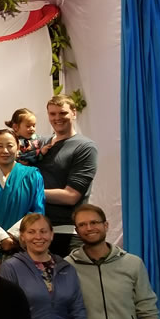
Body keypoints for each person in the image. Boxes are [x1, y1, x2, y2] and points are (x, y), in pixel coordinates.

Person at [37, 95, 98, 256]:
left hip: (66, 232)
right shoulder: (41, 143)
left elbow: (71, 196)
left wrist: (30, 193)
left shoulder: (85, 147)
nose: (57, 118)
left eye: (63, 113)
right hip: (36, 233)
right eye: (53, 114)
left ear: (74, 113)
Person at [0, 128, 45, 259]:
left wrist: (14, 237)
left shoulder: (32, 175)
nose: (5, 151)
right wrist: (1, 239)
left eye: (10, 146)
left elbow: (37, 211)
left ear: (18, 148)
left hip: (25, 246)